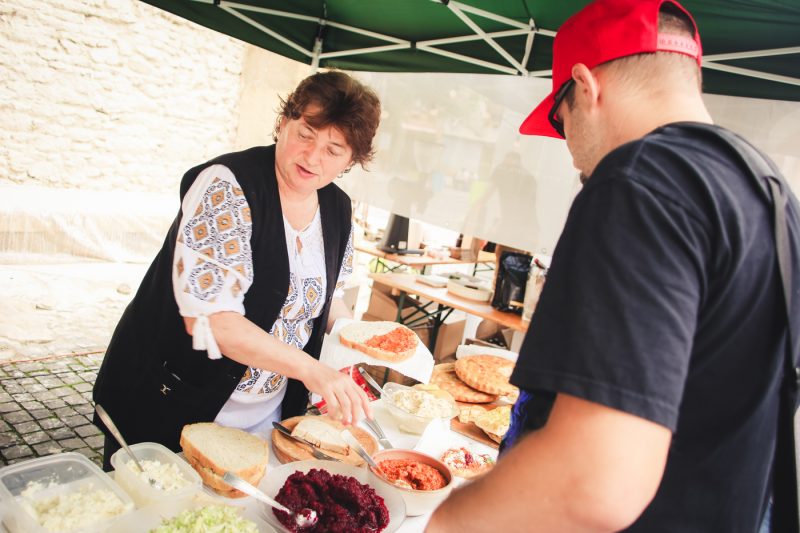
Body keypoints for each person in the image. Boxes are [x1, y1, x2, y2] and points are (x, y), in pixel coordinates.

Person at [427, 1, 799, 531]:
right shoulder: (771, 196)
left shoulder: (641, 180)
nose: (571, 154)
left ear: (585, 86)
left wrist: (448, 524)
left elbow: (591, 483)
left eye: (561, 124)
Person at [93, 70, 381, 469]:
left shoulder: (337, 208)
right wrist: (314, 371)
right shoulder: (227, 185)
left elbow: (324, 299)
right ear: (283, 123)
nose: (313, 157)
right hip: (174, 400)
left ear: (352, 160)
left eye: (334, 149)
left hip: (267, 414)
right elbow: (214, 322)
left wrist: (358, 340)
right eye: (305, 134)